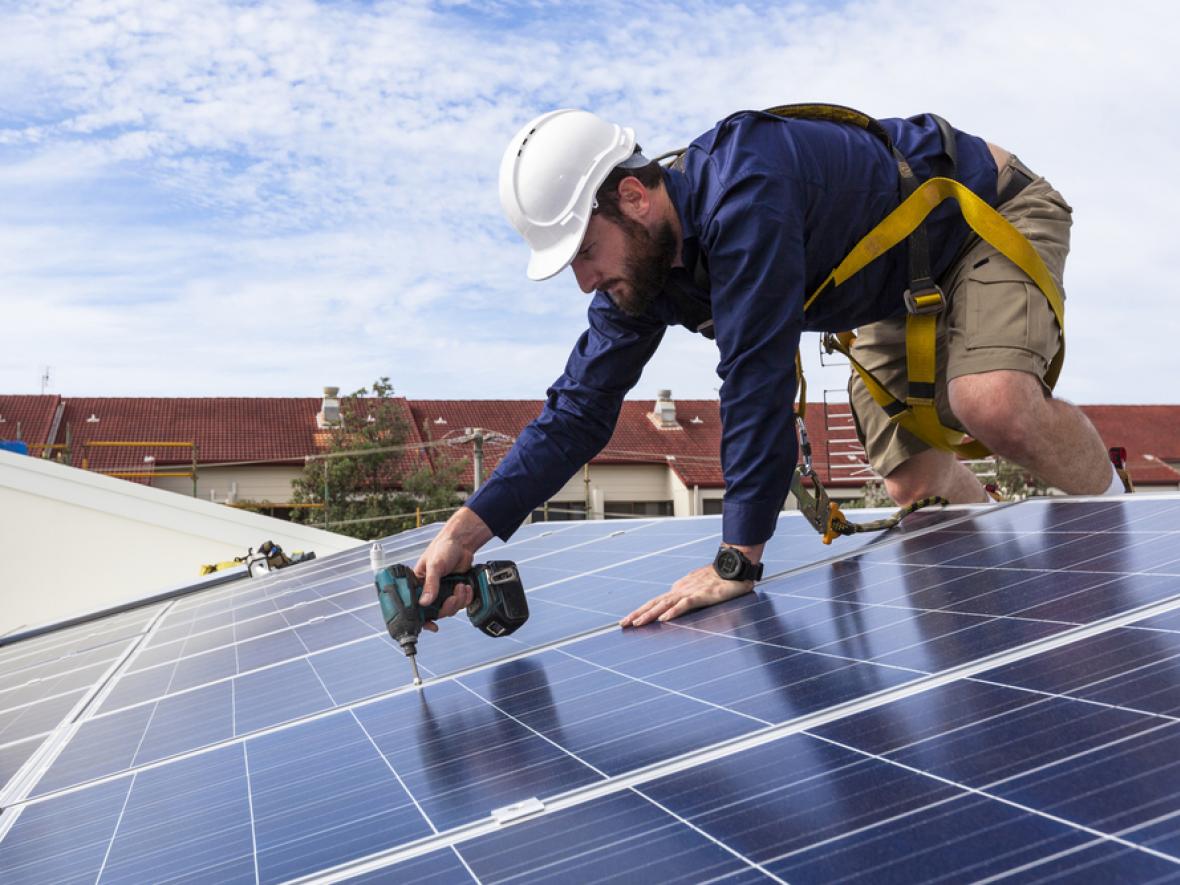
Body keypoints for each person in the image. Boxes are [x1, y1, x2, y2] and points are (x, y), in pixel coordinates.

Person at [414, 106, 1123, 631]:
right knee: (915, 479)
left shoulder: (746, 189)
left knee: (989, 401)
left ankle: (1144, 546)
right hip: (888, 285)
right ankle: (1002, 624)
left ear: (632, 197)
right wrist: (463, 534)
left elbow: (755, 380)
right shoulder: (641, 269)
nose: (583, 281)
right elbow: (577, 413)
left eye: (584, 252)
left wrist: (738, 558)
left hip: (980, 218)